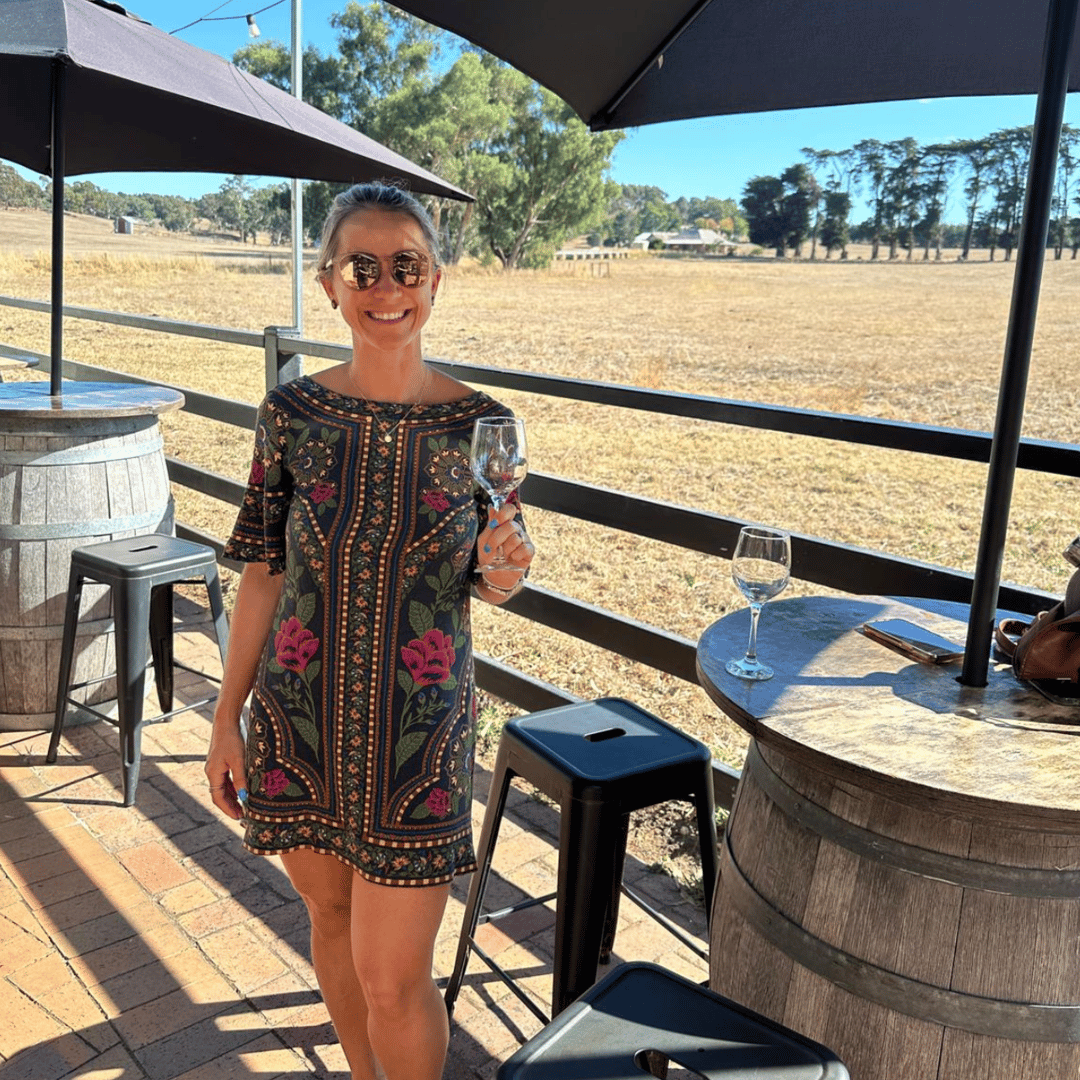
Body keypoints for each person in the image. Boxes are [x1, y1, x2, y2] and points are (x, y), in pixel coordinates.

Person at [204, 181, 533, 1080]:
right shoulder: (291, 417)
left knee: (394, 979)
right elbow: (264, 571)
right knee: (330, 919)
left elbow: (495, 579)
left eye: (407, 267)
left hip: (418, 737)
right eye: (362, 268)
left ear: (436, 280)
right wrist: (227, 716)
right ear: (330, 285)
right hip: (299, 722)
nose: (386, 288)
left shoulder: (482, 427)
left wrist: (507, 565)